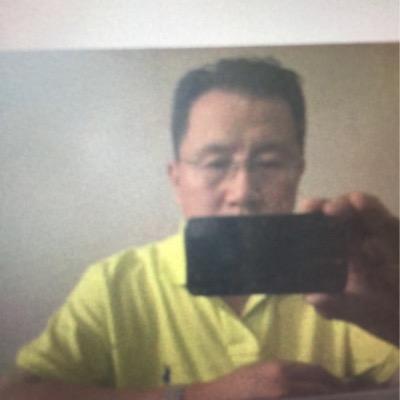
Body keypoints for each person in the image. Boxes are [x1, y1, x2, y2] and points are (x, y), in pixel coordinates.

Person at [1, 58, 398, 400]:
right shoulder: (115, 283)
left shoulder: (344, 276)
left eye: (270, 162)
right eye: (215, 163)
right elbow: (18, 393)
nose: (242, 192)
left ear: (298, 170)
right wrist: (194, 396)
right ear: (176, 179)